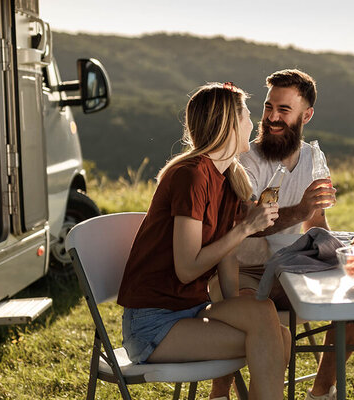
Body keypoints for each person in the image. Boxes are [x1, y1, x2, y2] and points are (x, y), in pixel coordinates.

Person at [117, 82, 290, 400]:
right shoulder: (191, 175)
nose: (254, 123)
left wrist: (236, 307)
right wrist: (245, 229)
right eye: (248, 115)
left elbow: (227, 259)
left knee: (271, 321)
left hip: (191, 309)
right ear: (229, 123)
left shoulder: (228, 180)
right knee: (272, 339)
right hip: (154, 323)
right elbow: (186, 269)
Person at [206, 69, 354, 400]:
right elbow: (241, 221)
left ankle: (320, 393)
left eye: (283, 110)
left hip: (290, 270)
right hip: (242, 272)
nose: (272, 118)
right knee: (244, 314)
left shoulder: (313, 157)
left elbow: (316, 220)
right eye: (267, 108)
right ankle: (219, 395)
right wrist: (298, 211)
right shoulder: (245, 160)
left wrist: (329, 253)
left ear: (306, 115)